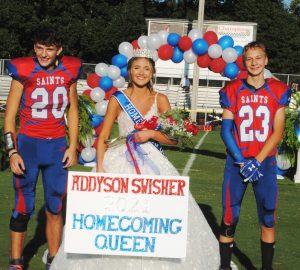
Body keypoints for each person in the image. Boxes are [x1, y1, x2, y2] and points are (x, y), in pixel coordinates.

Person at [51, 48, 220, 269]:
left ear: (153, 73)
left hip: (153, 162)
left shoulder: (160, 99)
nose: (141, 72)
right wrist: (100, 168)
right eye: (137, 68)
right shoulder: (118, 98)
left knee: (153, 219)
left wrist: (151, 134)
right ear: (129, 71)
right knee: (116, 219)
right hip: (118, 160)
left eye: (146, 69)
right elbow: (102, 138)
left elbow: (174, 139)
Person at [4, 25, 81, 270]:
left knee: (55, 206)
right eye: (39, 48)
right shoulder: (23, 70)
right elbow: (10, 114)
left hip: (57, 147)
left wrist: (72, 146)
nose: (44, 54)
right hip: (28, 146)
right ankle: (16, 261)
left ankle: (53, 259)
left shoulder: (69, 69)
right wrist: (12, 150)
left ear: (59, 50)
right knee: (23, 207)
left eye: (49, 49)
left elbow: (74, 110)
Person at [218, 41, 291, 270]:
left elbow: (277, 131)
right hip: (236, 163)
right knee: (229, 217)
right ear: (243, 62)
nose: (254, 63)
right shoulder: (233, 89)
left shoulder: (278, 89)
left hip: (265, 163)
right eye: (249, 59)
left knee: (268, 217)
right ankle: (224, 267)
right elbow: (225, 130)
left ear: (266, 60)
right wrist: (241, 160)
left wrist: (257, 161)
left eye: (258, 58)